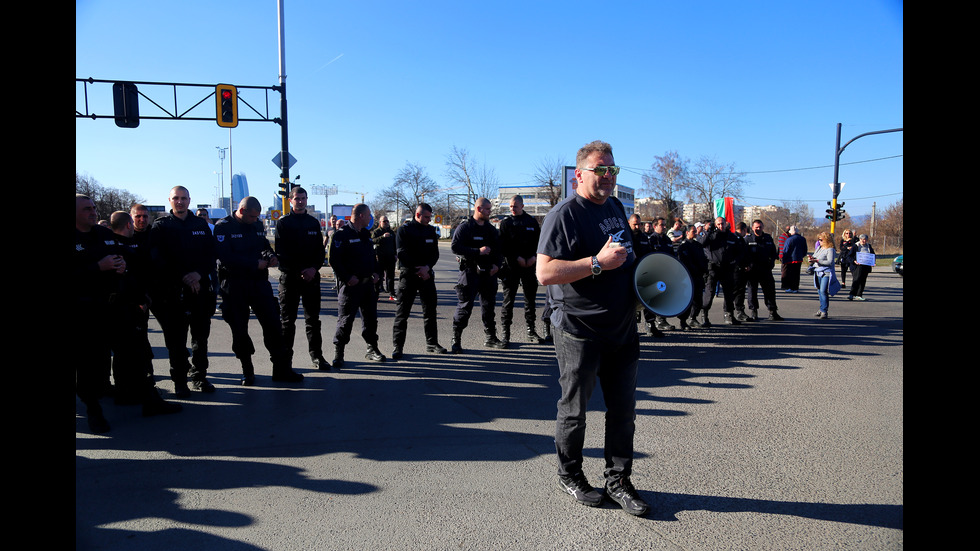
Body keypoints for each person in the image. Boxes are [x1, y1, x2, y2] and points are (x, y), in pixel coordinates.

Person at [537, 140, 649, 517]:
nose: (607, 177)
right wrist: (597, 264)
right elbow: (545, 273)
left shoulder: (616, 207)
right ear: (579, 175)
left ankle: (618, 480)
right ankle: (570, 474)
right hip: (578, 329)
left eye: (613, 170)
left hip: (621, 327)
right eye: (600, 170)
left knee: (623, 411)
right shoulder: (564, 214)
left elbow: (625, 259)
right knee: (574, 410)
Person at [214, 196, 304, 385]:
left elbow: (263, 245)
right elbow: (225, 257)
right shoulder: (224, 227)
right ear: (241, 211)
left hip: (258, 284)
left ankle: (281, 369)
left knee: (273, 325)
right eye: (252, 216)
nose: (255, 220)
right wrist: (254, 263)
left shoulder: (256, 225)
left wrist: (270, 256)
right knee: (240, 329)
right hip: (235, 285)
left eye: (257, 217)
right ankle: (248, 370)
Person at [108, 210, 183, 415]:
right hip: (130, 307)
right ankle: (150, 399)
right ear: (129, 224)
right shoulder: (124, 250)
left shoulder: (108, 245)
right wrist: (140, 298)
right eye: (136, 219)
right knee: (140, 352)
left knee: (123, 353)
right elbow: (130, 279)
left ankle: (124, 393)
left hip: (121, 306)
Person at [148, 186, 219, 396]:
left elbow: (211, 253)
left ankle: (199, 377)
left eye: (183, 198)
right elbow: (157, 259)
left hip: (199, 290)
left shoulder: (200, 224)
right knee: (176, 341)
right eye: (176, 198)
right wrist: (183, 277)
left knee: (200, 338)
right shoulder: (161, 227)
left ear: (190, 200)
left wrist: (197, 274)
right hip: (173, 292)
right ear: (169, 200)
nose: (180, 202)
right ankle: (179, 381)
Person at [275, 187, 328, 371]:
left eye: (303, 198)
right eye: (297, 198)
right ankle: (285, 361)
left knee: (313, 320)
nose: (300, 201)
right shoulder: (283, 223)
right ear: (290, 201)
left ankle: (317, 356)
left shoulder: (313, 223)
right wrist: (300, 271)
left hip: (311, 278)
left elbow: (320, 251)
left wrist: (313, 269)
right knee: (287, 322)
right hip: (290, 279)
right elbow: (282, 253)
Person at [329, 203, 387, 367]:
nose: (370, 218)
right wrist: (347, 278)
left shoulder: (366, 234)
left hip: (367, 285)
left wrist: (376, 273)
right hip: (350, 286)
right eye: (369, 215)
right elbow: (334, 260)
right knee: (345, 321)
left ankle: (372, 349)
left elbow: (372, 257)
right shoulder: (342, 234)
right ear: (361, 215)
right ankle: (339, 353)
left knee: (370, 320)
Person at [391, 203, 448, 359]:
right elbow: (402, 253)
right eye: (426, 217)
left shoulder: (430, 231)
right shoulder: (404, 230)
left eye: (430, 217)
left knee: (430, 311)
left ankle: (432, 343)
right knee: (402, 313)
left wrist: (427, 268)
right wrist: (419, 269)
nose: (429, 220)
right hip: (409, 276)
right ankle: (398, 346)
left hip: (427, 276)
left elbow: (434, 254)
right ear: (417, 215)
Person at [450, 197, 505, 353]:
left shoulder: (491, 230)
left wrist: (497, 265)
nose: (489, 212)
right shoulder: (465, 228)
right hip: (469, 272)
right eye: (487, 209)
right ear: (479, 209)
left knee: (489, 306)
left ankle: (490, 338)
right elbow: (455, 247)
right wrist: (477, 251)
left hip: (488, 273)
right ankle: (456, 339)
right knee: (465, 306)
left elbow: (498, 250)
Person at [498, 195, 545, 345]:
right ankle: (506, 334)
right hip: (511, 267)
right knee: (508, 301)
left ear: (522, 206)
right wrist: (515, 258)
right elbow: (503, 246)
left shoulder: (531, 222)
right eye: (511, 206)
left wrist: (534, 257)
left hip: (529, 266)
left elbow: (539, 243)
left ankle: (531, 331)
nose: (512, 209)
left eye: (515, 206)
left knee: (530, 301)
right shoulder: (505, 223)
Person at [699, 216, 744, 326]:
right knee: (709, 293)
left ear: (726, 224)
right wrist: (708, 231)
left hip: (727, 268)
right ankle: (704, 315)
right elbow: (701, 244)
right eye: (718, 224)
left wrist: (735, 262)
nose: (721, 226)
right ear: (715, 225)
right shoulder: (711, 235)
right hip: (713, 268)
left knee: (729, 293)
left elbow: (740, 252)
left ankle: (729, 315)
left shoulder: (731, 237)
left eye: (722, 224)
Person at [739, 219, 783, 321]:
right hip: (752, 271)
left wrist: (771, 263)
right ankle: (754, 311)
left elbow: (773, 253)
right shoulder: (748, 239)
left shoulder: (767, 238)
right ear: (752, 228)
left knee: (770, 291)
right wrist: (747, 265)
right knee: (752, 292)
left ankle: (773, 312)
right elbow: (744, 254)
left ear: (763, 227)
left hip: (765, 270)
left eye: (760, 227)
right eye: (756, 227)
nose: (758, 229)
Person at [675, 224, 708, 330]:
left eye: (695, 231)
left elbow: (703, 259)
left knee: (698, 300)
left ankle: (693, 318)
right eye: (693, 231)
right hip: (688, 276)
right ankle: (683, 321)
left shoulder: (697, 245)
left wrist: (703, 270)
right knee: (688, 300)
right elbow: (685, 262)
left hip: (698, 276)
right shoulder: (683, 246)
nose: (695, 233)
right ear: (687, 232)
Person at [809, 232, 839, 318]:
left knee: (823, 291)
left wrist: (817, 261)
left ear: (827, 240)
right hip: (818, 271)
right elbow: (815, 256)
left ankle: (824, 311)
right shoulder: (819, 248)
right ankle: (821, 308)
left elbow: (830, 262)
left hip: (826, 272)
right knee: (819, 291)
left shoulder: (830, 250)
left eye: (821, 240)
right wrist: (811, 259)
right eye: (819, 240)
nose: (819, 241)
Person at [372, 215, 397, 301]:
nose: (386, 223)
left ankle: (392, 293)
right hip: (380, 257)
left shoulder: (391, 232)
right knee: (378, 276)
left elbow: (395, 244)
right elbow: (372, 241)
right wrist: (382, 237)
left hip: (390, 257)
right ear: (380, 223)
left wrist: (395, 254)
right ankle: (376, 294)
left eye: (387, 221)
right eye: (384, 221)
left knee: (390, 276)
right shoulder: (376, 232)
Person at [846, 233, 876, 301]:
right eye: (862, 239)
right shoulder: (855, 246)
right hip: (857, 266)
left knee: (863, 280)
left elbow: (872, 255)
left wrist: (873, 262)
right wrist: (854, 261)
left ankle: (859, 294)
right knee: (856, 279)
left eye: (864, 239)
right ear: (859, 239)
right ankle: (851, 294)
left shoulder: (868, 246)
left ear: (867, 240)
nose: (863, 241)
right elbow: (849, 256)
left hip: (866, 265)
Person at [780, 225, 807, 292]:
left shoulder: (789, 239)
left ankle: (789, 287)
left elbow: (786, 249)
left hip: (790, 259)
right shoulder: (802, 239)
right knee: (796, 274)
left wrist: (784, 258)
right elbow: (805, 249)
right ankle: (795, 288)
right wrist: (802, 256)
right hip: (799, 259)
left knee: (789, 274)